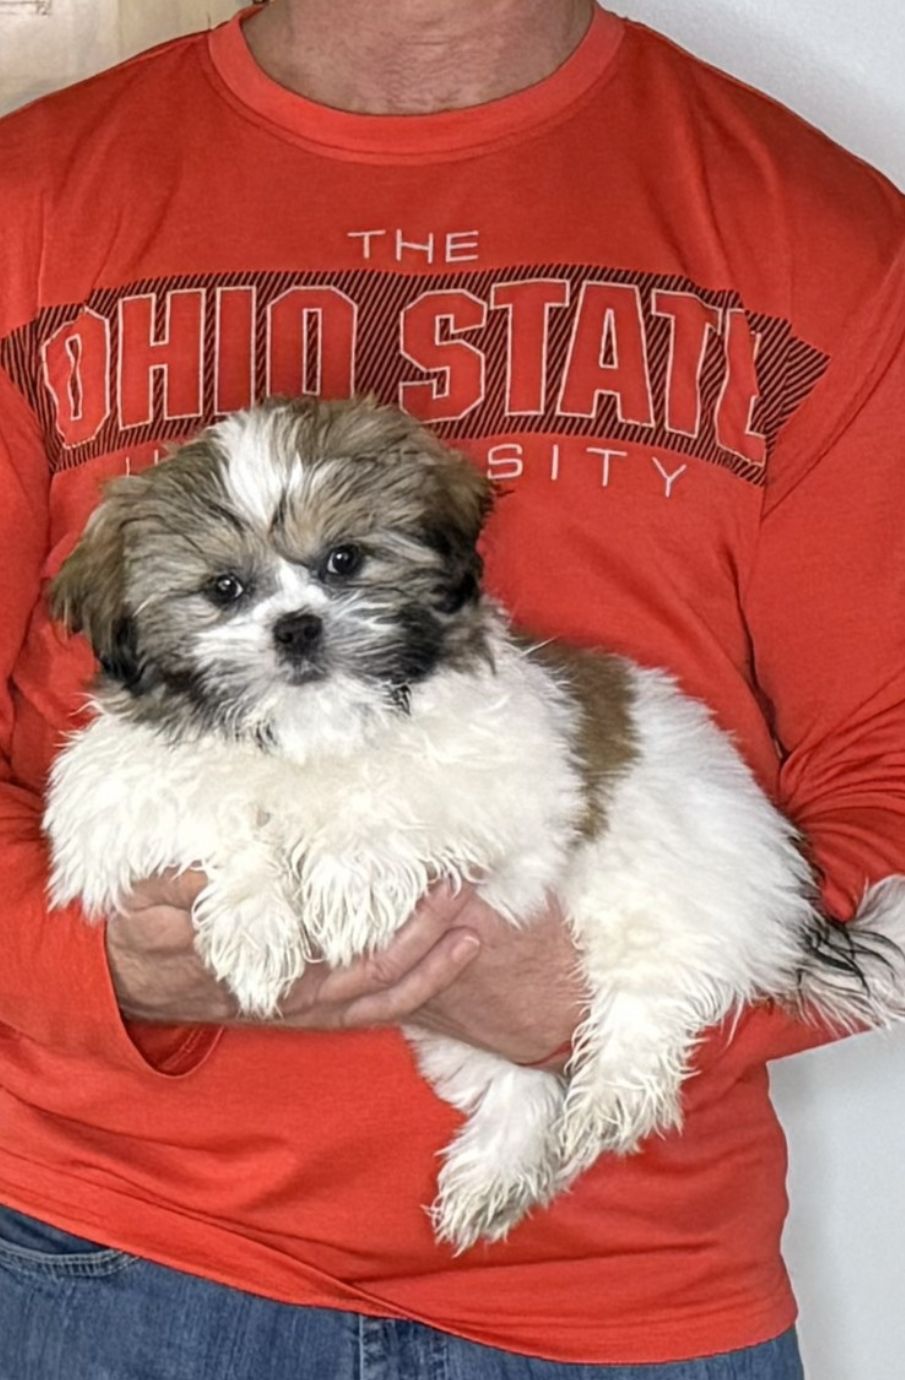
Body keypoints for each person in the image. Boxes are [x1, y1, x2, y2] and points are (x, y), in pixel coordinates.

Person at [0, 0, 903, 1375]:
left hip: (626, 1287)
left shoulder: (817, 234)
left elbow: (889, 764)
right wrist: (87, 960)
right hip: (108, 1254)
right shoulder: (31, 205)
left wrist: (639, 999)